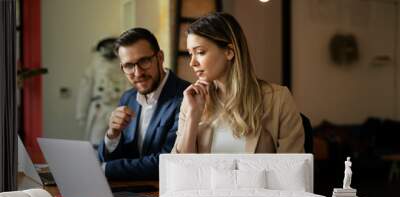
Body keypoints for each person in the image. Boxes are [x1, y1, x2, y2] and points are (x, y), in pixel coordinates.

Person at [172, 12, 304, 154]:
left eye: (200, 52)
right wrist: (193, 115)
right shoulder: (191, 101)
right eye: (190, 54)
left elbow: (292, 169)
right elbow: (180, 170)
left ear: (229, 51)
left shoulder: (278, 99)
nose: (192, 63)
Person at [98, 28, 190, 180]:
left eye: (144, 61)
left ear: (160, 57)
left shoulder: (186, 97)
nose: (138, 73)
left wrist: (105, 169)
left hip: (165, 194)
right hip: (130, 191)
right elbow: (117, 156)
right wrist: (113, 135)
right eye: (128, 66)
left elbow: (167, 162)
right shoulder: (127, 98)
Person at [76, 37, 130, 146]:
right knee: (96, 141)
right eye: (106, 47)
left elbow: (129, 88)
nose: (109, 50)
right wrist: (81, 113)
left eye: (112, 46)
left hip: (117, 108)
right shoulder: (95, 65)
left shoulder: (124, 64)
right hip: (99, 108)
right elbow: (85, 89)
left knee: (115, 142)